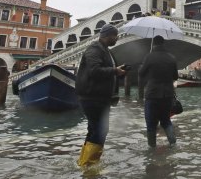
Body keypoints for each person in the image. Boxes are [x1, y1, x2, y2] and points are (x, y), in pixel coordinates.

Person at [75, 24, 127, 167]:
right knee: (100, 130)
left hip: (99, 98)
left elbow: (105, 71)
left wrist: (118, 72)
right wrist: (115, 71)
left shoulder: (104, 50)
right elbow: (94, 71)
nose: (117, 38)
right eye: (115, 36)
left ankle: (84, 162)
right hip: (92, 97)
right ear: (108, 36)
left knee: (94, 130)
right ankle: (90, 165)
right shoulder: (94, 49)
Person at [138, 35, 179, 147]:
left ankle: (152, 149)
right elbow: (175, 76)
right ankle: (173, 144)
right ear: (163, 43)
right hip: (167, 95)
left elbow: (141, 73)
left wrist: (143, 65)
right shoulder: (171, 58)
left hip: (152, 95)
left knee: (151, 124)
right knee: (166, 121)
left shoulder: (149, 57)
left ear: (154, 44)